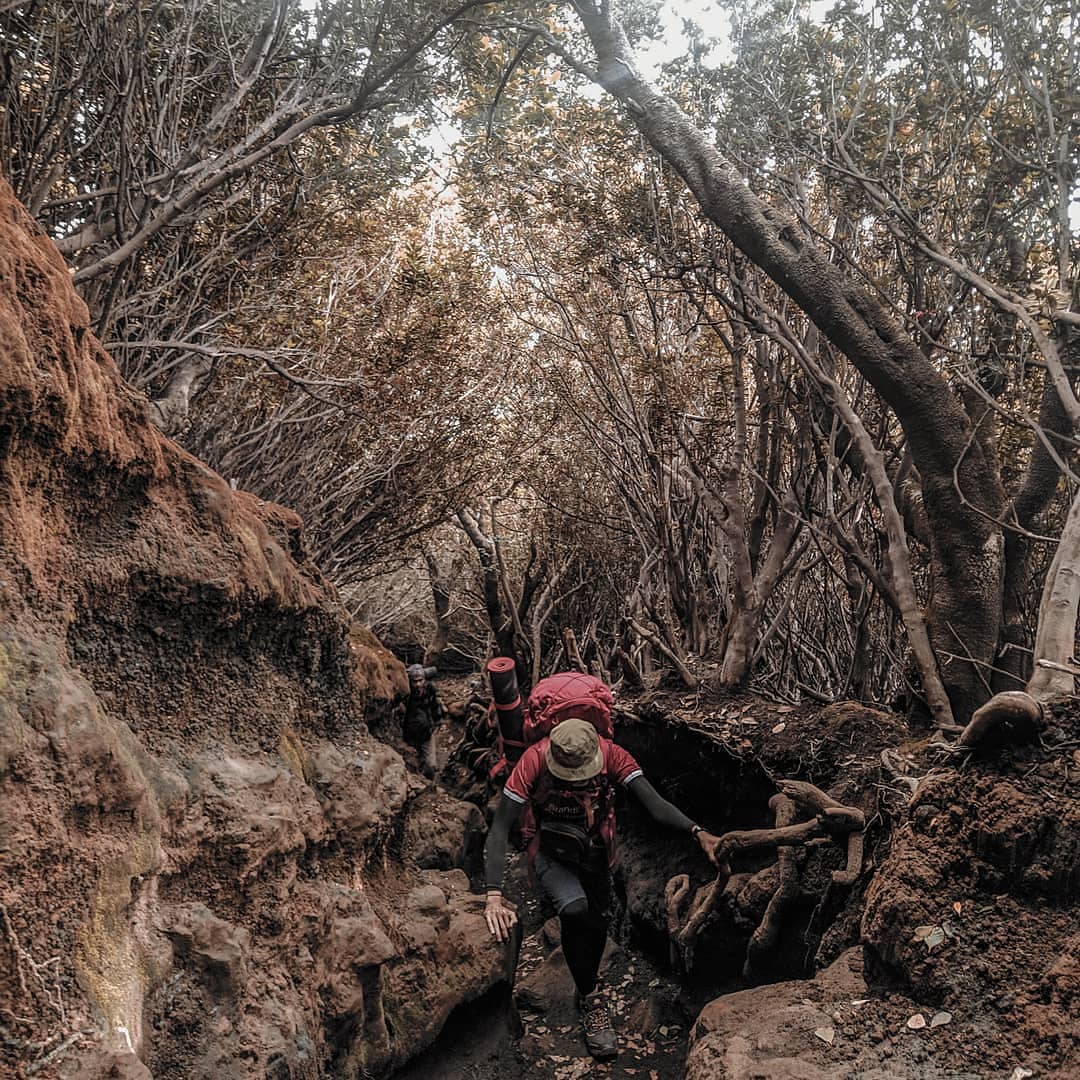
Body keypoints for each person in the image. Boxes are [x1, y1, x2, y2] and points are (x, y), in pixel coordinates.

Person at [483, 718, 720, 1059]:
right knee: (574, 910)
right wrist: (493, 895)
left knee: (596, 925)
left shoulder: (612, 754)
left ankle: (585, 985)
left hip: (597, 854)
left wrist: (698, 832)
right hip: (550, 854)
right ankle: (593, 998)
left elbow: (653, 805)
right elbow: (499, 826)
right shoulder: (533, 759)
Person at [403, 664, 443, 778]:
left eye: (420, 681)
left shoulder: (430, 689)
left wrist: (438, 720)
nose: (418, 684)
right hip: (410, 734)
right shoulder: (406, 694)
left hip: (427, 732)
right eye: (414, 682)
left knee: (430, 766)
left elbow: (435, 705)